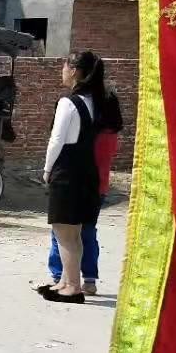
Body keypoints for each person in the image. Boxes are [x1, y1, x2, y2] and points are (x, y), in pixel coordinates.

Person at [41, 81, 123, 295]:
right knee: (87, 233)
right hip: (100, 186)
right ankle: (89, 279)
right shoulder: (111, 135)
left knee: (62, 233)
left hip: (81, 182)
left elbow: (62, 142)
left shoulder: (90, 132)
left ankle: (62, 277)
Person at [39, 50, 106, 305]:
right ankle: (66, 281)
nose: (62, 71)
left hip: (66, 170)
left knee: (63, 232)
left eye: (65, 66)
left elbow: (56, 140)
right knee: (74, 233)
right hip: (86, 170)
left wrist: (47, 170)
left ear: (75, 71)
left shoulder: (68, 102)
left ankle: (73, 287)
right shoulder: (93, 101)